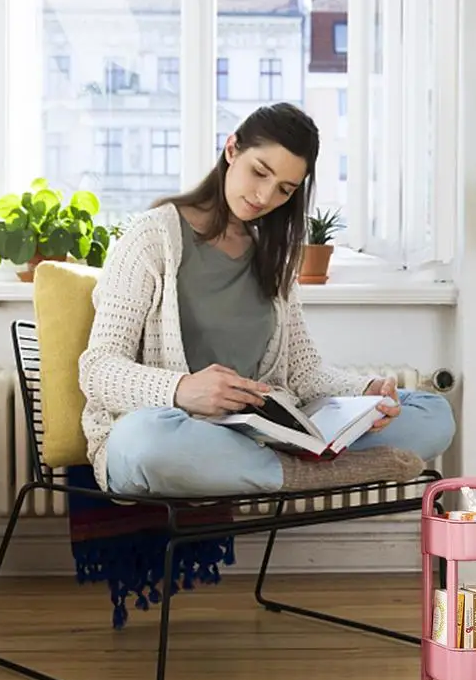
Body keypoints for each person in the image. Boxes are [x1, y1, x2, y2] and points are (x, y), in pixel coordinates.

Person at [78, 102, 456, 498]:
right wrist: (182, 389)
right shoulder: (152, 238)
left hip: (261, 438)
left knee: (431, 415)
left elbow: (303, 375)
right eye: (259, 172)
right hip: (173, 433)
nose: (264, 196)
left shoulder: (273, 254)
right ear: (231, 150)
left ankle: (274, 468)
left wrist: (365, 390)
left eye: (284, 190)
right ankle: (315, 475)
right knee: (148, 442)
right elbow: (98, 368)